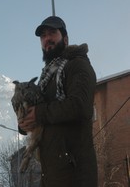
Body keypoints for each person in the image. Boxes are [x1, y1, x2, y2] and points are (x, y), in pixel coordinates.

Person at [18, 16, 98, 186]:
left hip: (75, 175)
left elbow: (80, 106)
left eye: (52, 33)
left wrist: (39, 114)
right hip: (52, 175)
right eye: (43, 36)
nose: (47, 39)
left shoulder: (77, 66)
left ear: (65, 39)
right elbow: (39, 111)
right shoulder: (47, 77)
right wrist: (25, 123)